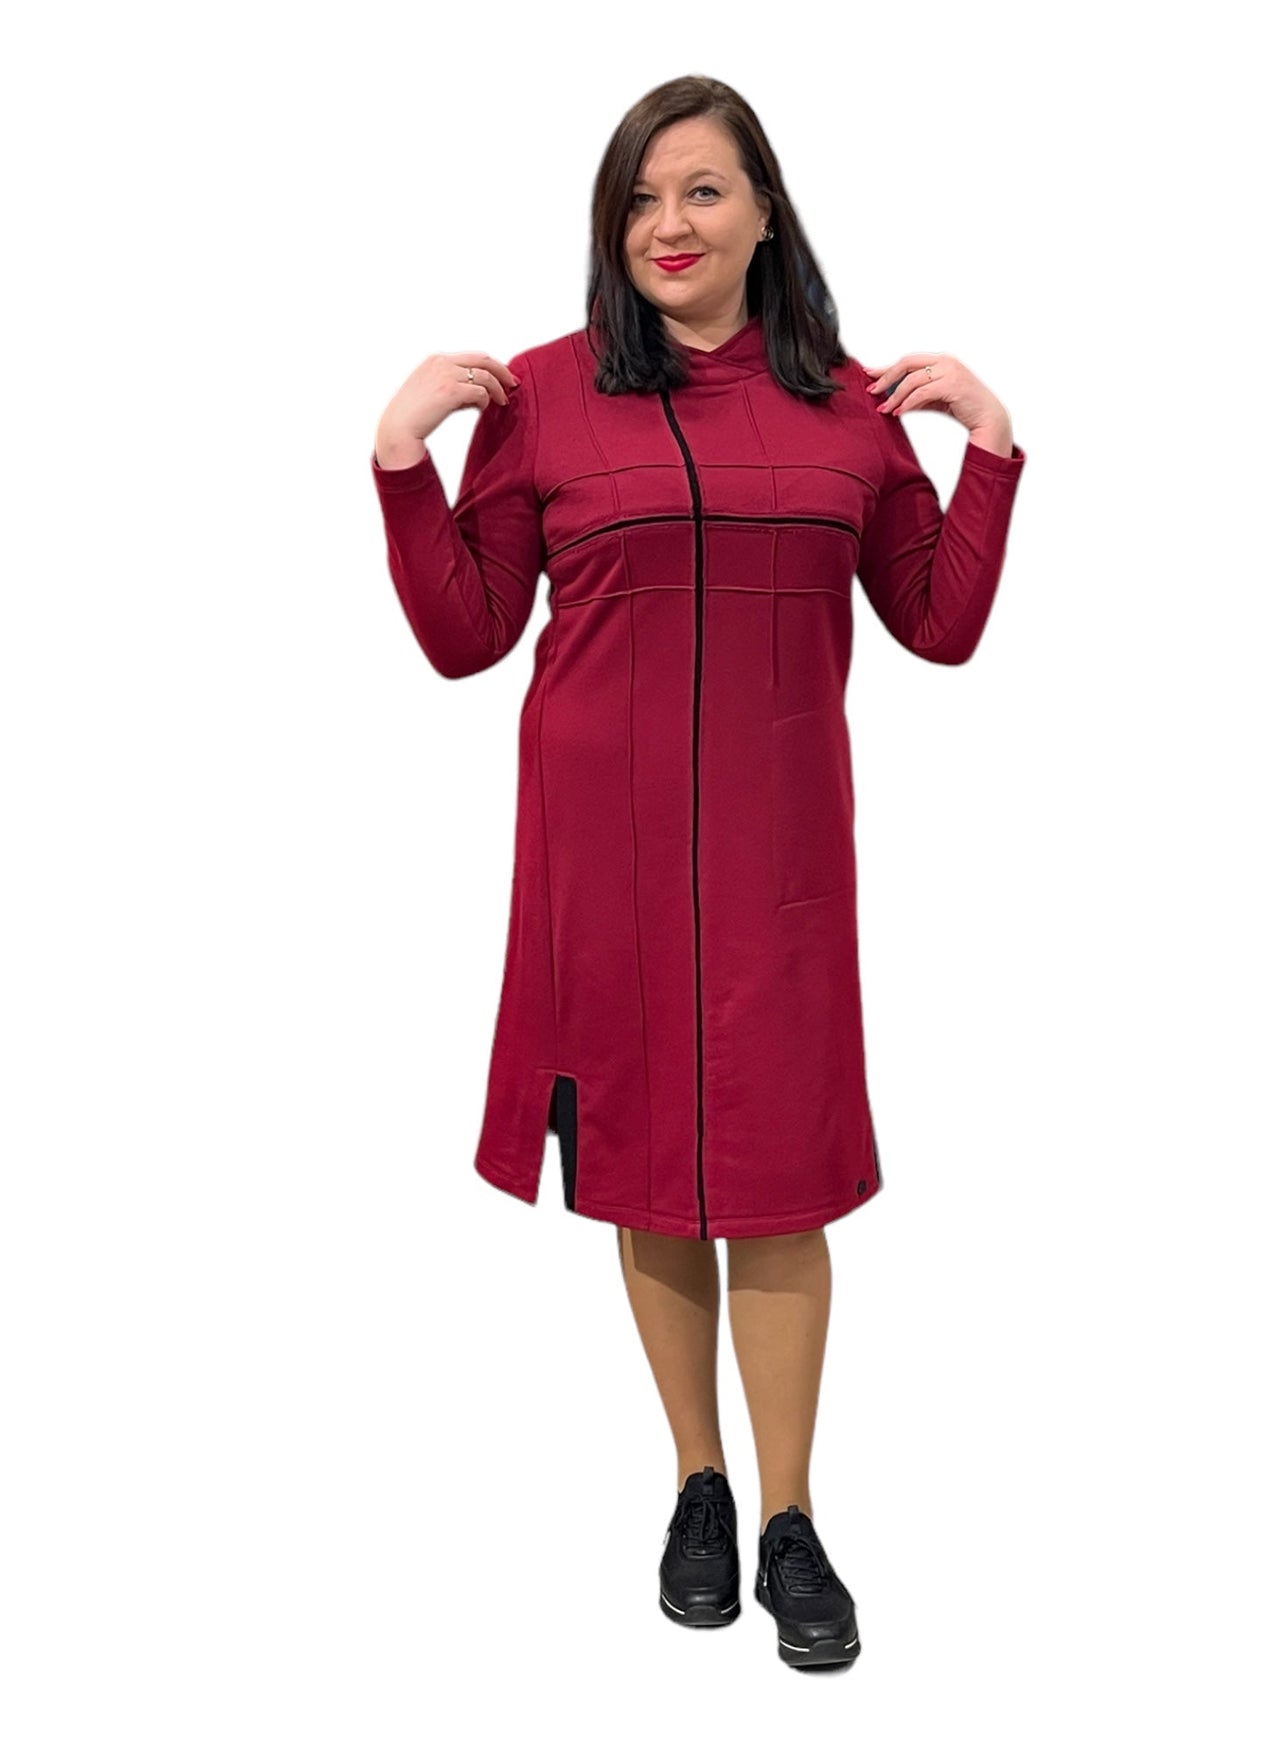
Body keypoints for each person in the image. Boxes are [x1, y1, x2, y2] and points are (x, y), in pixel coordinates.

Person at [369, 74, 1026, 1673]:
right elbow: (466, 636)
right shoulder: (542, 399)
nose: (669, 224)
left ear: (765, 212)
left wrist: (992, 450)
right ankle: (699, 1488)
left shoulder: (851, 410)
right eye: (641, 200)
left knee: (782, 1190)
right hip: (601, 864)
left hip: (783, 867)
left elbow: (939, 623)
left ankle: (793, 1518)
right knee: (653, 1175)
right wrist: (400, 461)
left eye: (703, 191)